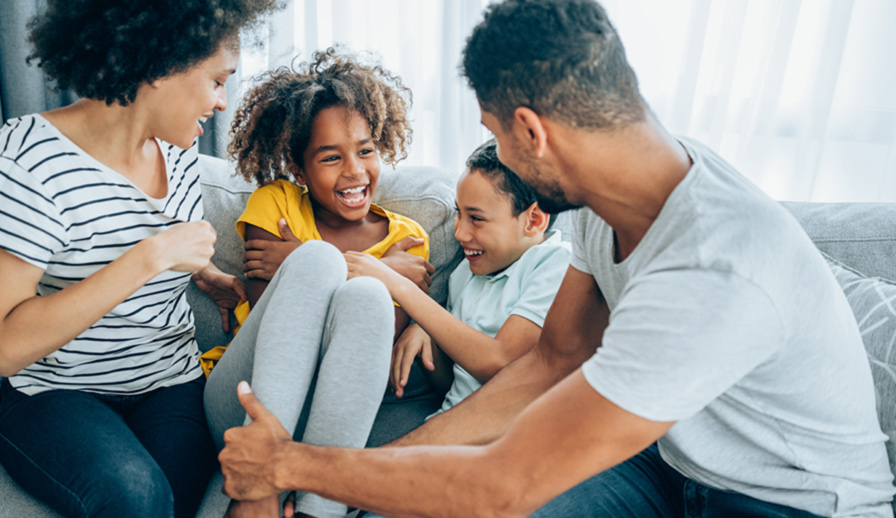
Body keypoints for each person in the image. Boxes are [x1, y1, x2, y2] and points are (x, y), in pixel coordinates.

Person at [216, 1, 896, 517]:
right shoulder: (611, 201)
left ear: (532, 133)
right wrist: (384, 466)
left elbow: (502, 488)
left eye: (493, 136)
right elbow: (552, 362)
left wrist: (291, 466)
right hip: (671, 465)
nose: (496, 158)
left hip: (788, 501)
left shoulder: (714, 267)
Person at [0, 1, 278, 517]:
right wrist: (149, 258)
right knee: (136, 496)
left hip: (169, 382)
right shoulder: (26, 159)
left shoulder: (178, 153)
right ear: (160, 65)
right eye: (217, 81)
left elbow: (124, 233)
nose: (222, 103)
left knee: (166, 501)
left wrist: (205, 273)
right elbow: (4, 345)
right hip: (54, 391)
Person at [202, 48, 432, 518]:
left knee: (367, 293)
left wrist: (345, 268)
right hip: (244, 402)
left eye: (365, 150)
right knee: (324, 265)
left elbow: (368, 354)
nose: (354, 172)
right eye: (331, 158)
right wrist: (367, 266)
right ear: (299, 167)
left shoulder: (408, 240)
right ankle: (259, 485)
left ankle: (317, 510)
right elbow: (277, 326)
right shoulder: (278, 203)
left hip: (331, 415)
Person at [345, 138, 569, 417]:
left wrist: (401, 288)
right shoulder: (466, 272)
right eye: (458, 213)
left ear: (533, 221)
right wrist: (430, 338)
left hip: (505, 436)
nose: (460, 233)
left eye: (476, 218)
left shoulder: (556, 264)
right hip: (449, 423)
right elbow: (454, 386)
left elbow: (500, 364)